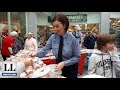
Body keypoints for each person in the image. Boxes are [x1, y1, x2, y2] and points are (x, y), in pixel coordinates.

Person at [31, 14, 80, 78]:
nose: (55, 29)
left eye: (57, 26)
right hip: (57, 67)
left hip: (71, 69)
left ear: (64, 25)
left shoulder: (73, 39)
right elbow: (45, 50)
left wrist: (64, 63)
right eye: (53, 26)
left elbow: (77, 57)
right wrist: (35, 54)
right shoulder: (53, 37)